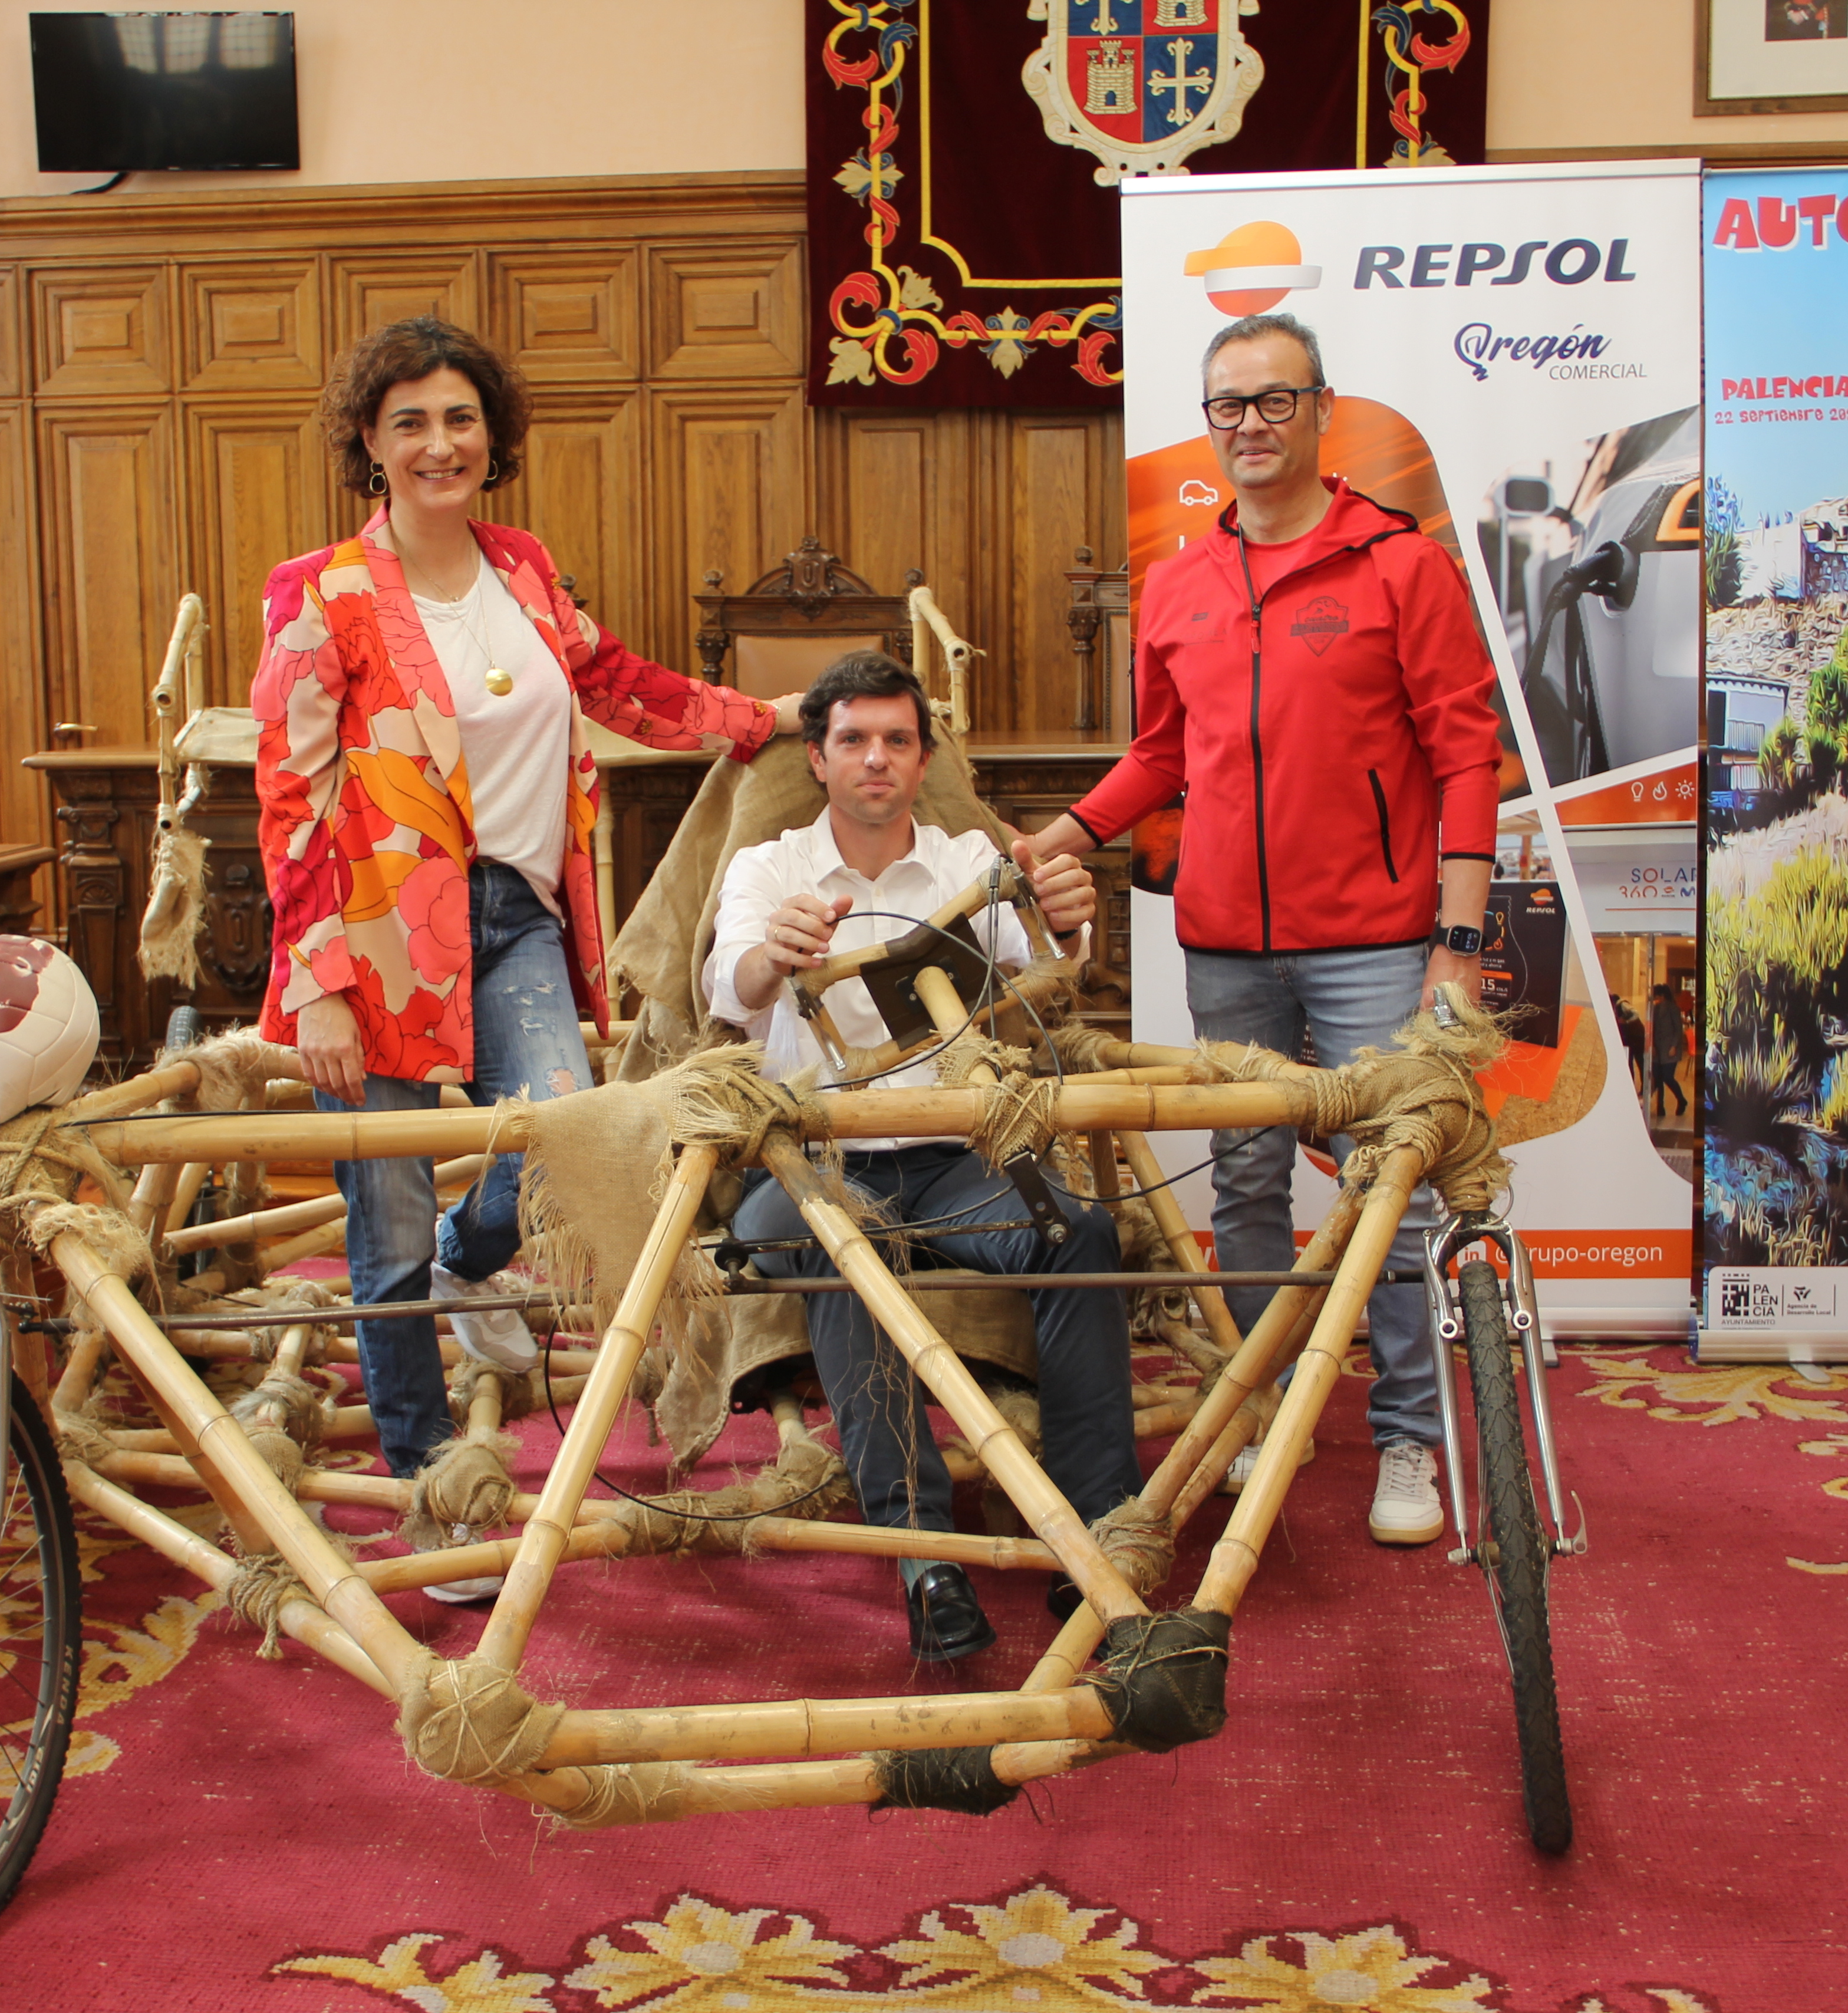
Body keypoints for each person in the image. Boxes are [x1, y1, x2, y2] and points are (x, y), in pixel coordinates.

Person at [253, 316, 777, 1598]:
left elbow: (616, 682)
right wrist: (313, 975)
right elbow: (289, 794)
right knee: (376, 1227)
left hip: (517, 912)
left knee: (558, 1131)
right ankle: (439, 1492)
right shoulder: (320, 594)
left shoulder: (525, 567)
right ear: (369, 445)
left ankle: (468, 1262)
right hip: (372, 934)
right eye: (411, 423)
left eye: (461, 419)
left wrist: (767, 720)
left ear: (494, 438)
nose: (440, 443)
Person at [1019, 311, 1499, 1549]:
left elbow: (1463, 752)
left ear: (1320, 409)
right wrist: (1067, 834)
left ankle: (1407, 1440)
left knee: (1385, 1190)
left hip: (1376, 941)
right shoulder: (1177, 582)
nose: (1249, 426)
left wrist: (1456, 933)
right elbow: (1163, 754)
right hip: (1226, 942)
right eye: (1227, 405)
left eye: (1273, 401)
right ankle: (1258, 1403)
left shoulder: (1400, 565)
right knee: (1241, 1183)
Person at [709, 653, 1134, 1664]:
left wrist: (1068, 923)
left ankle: (1095, 1531)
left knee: (1078, 1234)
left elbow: (1044, 978)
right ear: (816, 758)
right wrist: (776, 948)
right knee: (842, 1243)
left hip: (954, 1164)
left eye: (896, 740)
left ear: (921, 757)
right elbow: (732, 989)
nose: (874, 759)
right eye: (852, 739)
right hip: (813, 1170)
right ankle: (925, 1558)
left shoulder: (964, 862)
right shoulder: (768, 866)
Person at [1648, 981, 1689, 1121]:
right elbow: (1652, 1028)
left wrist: (1674, 1046)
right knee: (1658, 1077)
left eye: (1657, 996)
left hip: (1670, 1048)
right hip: (1658, 1048)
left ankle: (1681, 1100)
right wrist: (1652, 1046)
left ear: (1662, 996)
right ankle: (1660, 1107)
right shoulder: (1655, 1009)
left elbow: (1678, 1030)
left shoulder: (1673, 1009)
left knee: (1667, 1076)